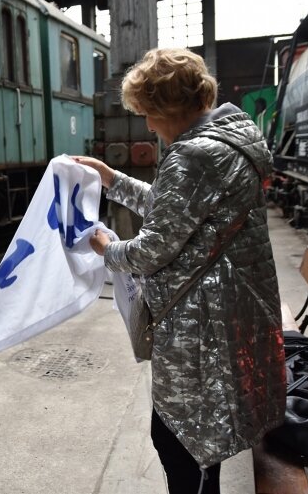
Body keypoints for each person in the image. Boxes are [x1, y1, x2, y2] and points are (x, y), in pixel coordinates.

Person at [74, 49, 285, 493]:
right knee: (203, 433)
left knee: (177, 438)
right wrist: (114, 179)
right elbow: (179, 211)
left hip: (201, 321)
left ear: (171, 108)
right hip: (234, 307)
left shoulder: (192, 156)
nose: (148, 125)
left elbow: (153, 248)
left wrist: (108, 249)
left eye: (150, 113)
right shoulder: (232, 140)